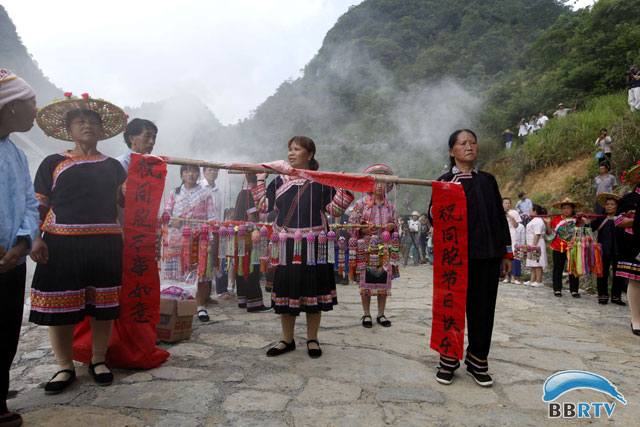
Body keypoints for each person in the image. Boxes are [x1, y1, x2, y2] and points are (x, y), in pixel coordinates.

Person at [29, 93, 129, 394]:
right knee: (60, 308)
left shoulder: (114, 167)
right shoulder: (53, 163)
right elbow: (39, 205)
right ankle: (65, 366)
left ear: (101, 131)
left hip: (106, 243)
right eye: (80, 122)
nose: (87, 127)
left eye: (93, 123)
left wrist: (126, 236)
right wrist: (35, 238)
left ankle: (98, 360)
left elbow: (122, 207)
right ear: (69, 129)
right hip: (61, 244)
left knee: (104, 304)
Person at [255, 136, 353, 358]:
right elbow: (264, 207)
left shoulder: (321, 181)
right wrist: (261, 180)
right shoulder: (279, 181)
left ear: (309, 155)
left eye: (297, 149)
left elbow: (335, 210)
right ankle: (286, 340)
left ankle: (312, 339)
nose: (291, 153)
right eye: (290, 149)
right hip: (286, 248)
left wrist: (343, 187)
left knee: (314, 293)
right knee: (286, 292)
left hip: (314, 246)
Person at [429, 129, 511, 387]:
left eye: (473, 142)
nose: (469, 147)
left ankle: (477, 360)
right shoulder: (444, 181)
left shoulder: (488, 180)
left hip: (487, 255)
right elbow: (432, 217)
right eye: (463, 143)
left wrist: (505, 251)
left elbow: (499, 216)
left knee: (483, 309)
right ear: (452, 151)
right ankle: (449, 359)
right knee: (451, 307)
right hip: (455, 258)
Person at [0, 69, 39, 427]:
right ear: (10, 108)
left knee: (6, 331)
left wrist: (24, 241)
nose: (35, 111)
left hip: (11, 262)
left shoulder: (15, 153)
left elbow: (29, 203)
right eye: (31, 103)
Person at [163, 165, 216, 321]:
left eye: (193, 171)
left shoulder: (205, 194)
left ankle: (200, 307)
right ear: (181, 174)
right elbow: (166, 214)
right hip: (178, 239)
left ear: (198, 174)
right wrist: (173, 222)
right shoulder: (174, 193)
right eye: (186, 171)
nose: (190, 174)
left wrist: (210, 237)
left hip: (199, 239)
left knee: (199, 274)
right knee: (178, 274)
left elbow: (212, 217)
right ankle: (178, 305)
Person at [349, 164, 397, 328]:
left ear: (386, 185)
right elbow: (352, 225)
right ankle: (366, 313)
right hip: (366, 249)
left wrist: (392, 227)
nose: (379, 186)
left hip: (384, 249)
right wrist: (364, 228)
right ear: (370, 184)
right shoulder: (361, 204)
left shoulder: (390, 206)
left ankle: (381, 314)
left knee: (384, 282)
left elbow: (396, 226)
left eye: (382, 182)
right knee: (365, 282)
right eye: (376, 182)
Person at [233, 173, 272, 313]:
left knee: (241, 267)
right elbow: (252, 217)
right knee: (252, 268)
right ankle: (254, 303)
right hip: (250, 237)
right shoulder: (251, 195)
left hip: (239, 236)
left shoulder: (241, 193)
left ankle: (242, 299)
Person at [615, 163, 640, 335]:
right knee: (636, 280)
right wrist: (636, 220)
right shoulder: (629, 199)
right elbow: (618, 222)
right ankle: (636, 319)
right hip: (635, 243)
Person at [591, 193, 625, 305]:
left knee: (618, 274)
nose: (609, 206)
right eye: (607, 204)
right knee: (602, 273)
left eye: (612, 204)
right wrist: (585, 222)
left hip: (619, 250)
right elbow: (588, 228)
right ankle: (602, 295)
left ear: (617, 206)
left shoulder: (623, 220)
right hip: (603, 250)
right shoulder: (601, 219)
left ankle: (616, 296)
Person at [202, 167, 231, 299]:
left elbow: (219, 213)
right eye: (210, 170)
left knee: (221, 260)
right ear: (204, 172)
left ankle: (221, 290)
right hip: (204, 232)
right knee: (206, 263)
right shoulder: (201, 188)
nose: (213, 172)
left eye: (215, 170)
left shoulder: (218, 191)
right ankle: (205, 295)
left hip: (218, 231)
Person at [549, 197, 586, 297]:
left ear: (572, 209)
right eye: (564, 208)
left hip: (573, 247)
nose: (566, 210)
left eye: (568, 208)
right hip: (558, 247)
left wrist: (584, 221)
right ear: (561, 209)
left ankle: (574, 290)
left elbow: (583, 231)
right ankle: (557, 289)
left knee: (573, 269)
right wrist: (548, 223)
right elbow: (550, 234)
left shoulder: (577, 220)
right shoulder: (555, 220)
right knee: (558, 269)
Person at [525, 205, 548, 287]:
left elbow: (537, 234)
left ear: (535, 211)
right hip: (532, 243)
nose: (529, 211)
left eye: (531, 209)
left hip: (537, 244)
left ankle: (539, 281)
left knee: (538, 263)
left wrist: (534, 245)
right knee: (533, 263)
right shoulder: (534, 220)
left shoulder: (538, 221)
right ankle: (532, 280)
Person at [502, 198, 522, 284]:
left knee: (513, 254)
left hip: (513, 234)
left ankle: (513, 277)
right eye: (505, 203)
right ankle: (506, 276)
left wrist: (511, 217)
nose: (507, 205)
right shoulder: (499, 212)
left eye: (509, 203)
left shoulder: (514, 213)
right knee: (505, 254)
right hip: (503, 234)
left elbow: (516, 225)